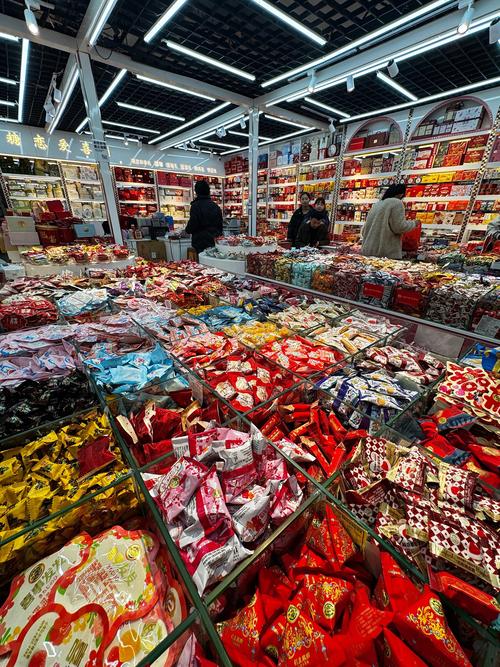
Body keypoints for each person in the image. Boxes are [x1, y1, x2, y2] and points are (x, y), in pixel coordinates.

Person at [361, 183, 415, 259]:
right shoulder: (397, 203)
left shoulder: (377, 204)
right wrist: (414, 223)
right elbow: (399, 227)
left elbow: (364, 230)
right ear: (401, 194)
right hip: (385, 254)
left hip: (368, 251)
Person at [186, 180, 223, 255]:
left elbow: (193, 223)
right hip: (214, 240)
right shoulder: (215, 206)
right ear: (208, 191)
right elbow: (220, 225)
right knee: (213, 259)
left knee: (202, 260)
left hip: (200, 241)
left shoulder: (196, 206)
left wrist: (187, 230)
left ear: (196, 192)